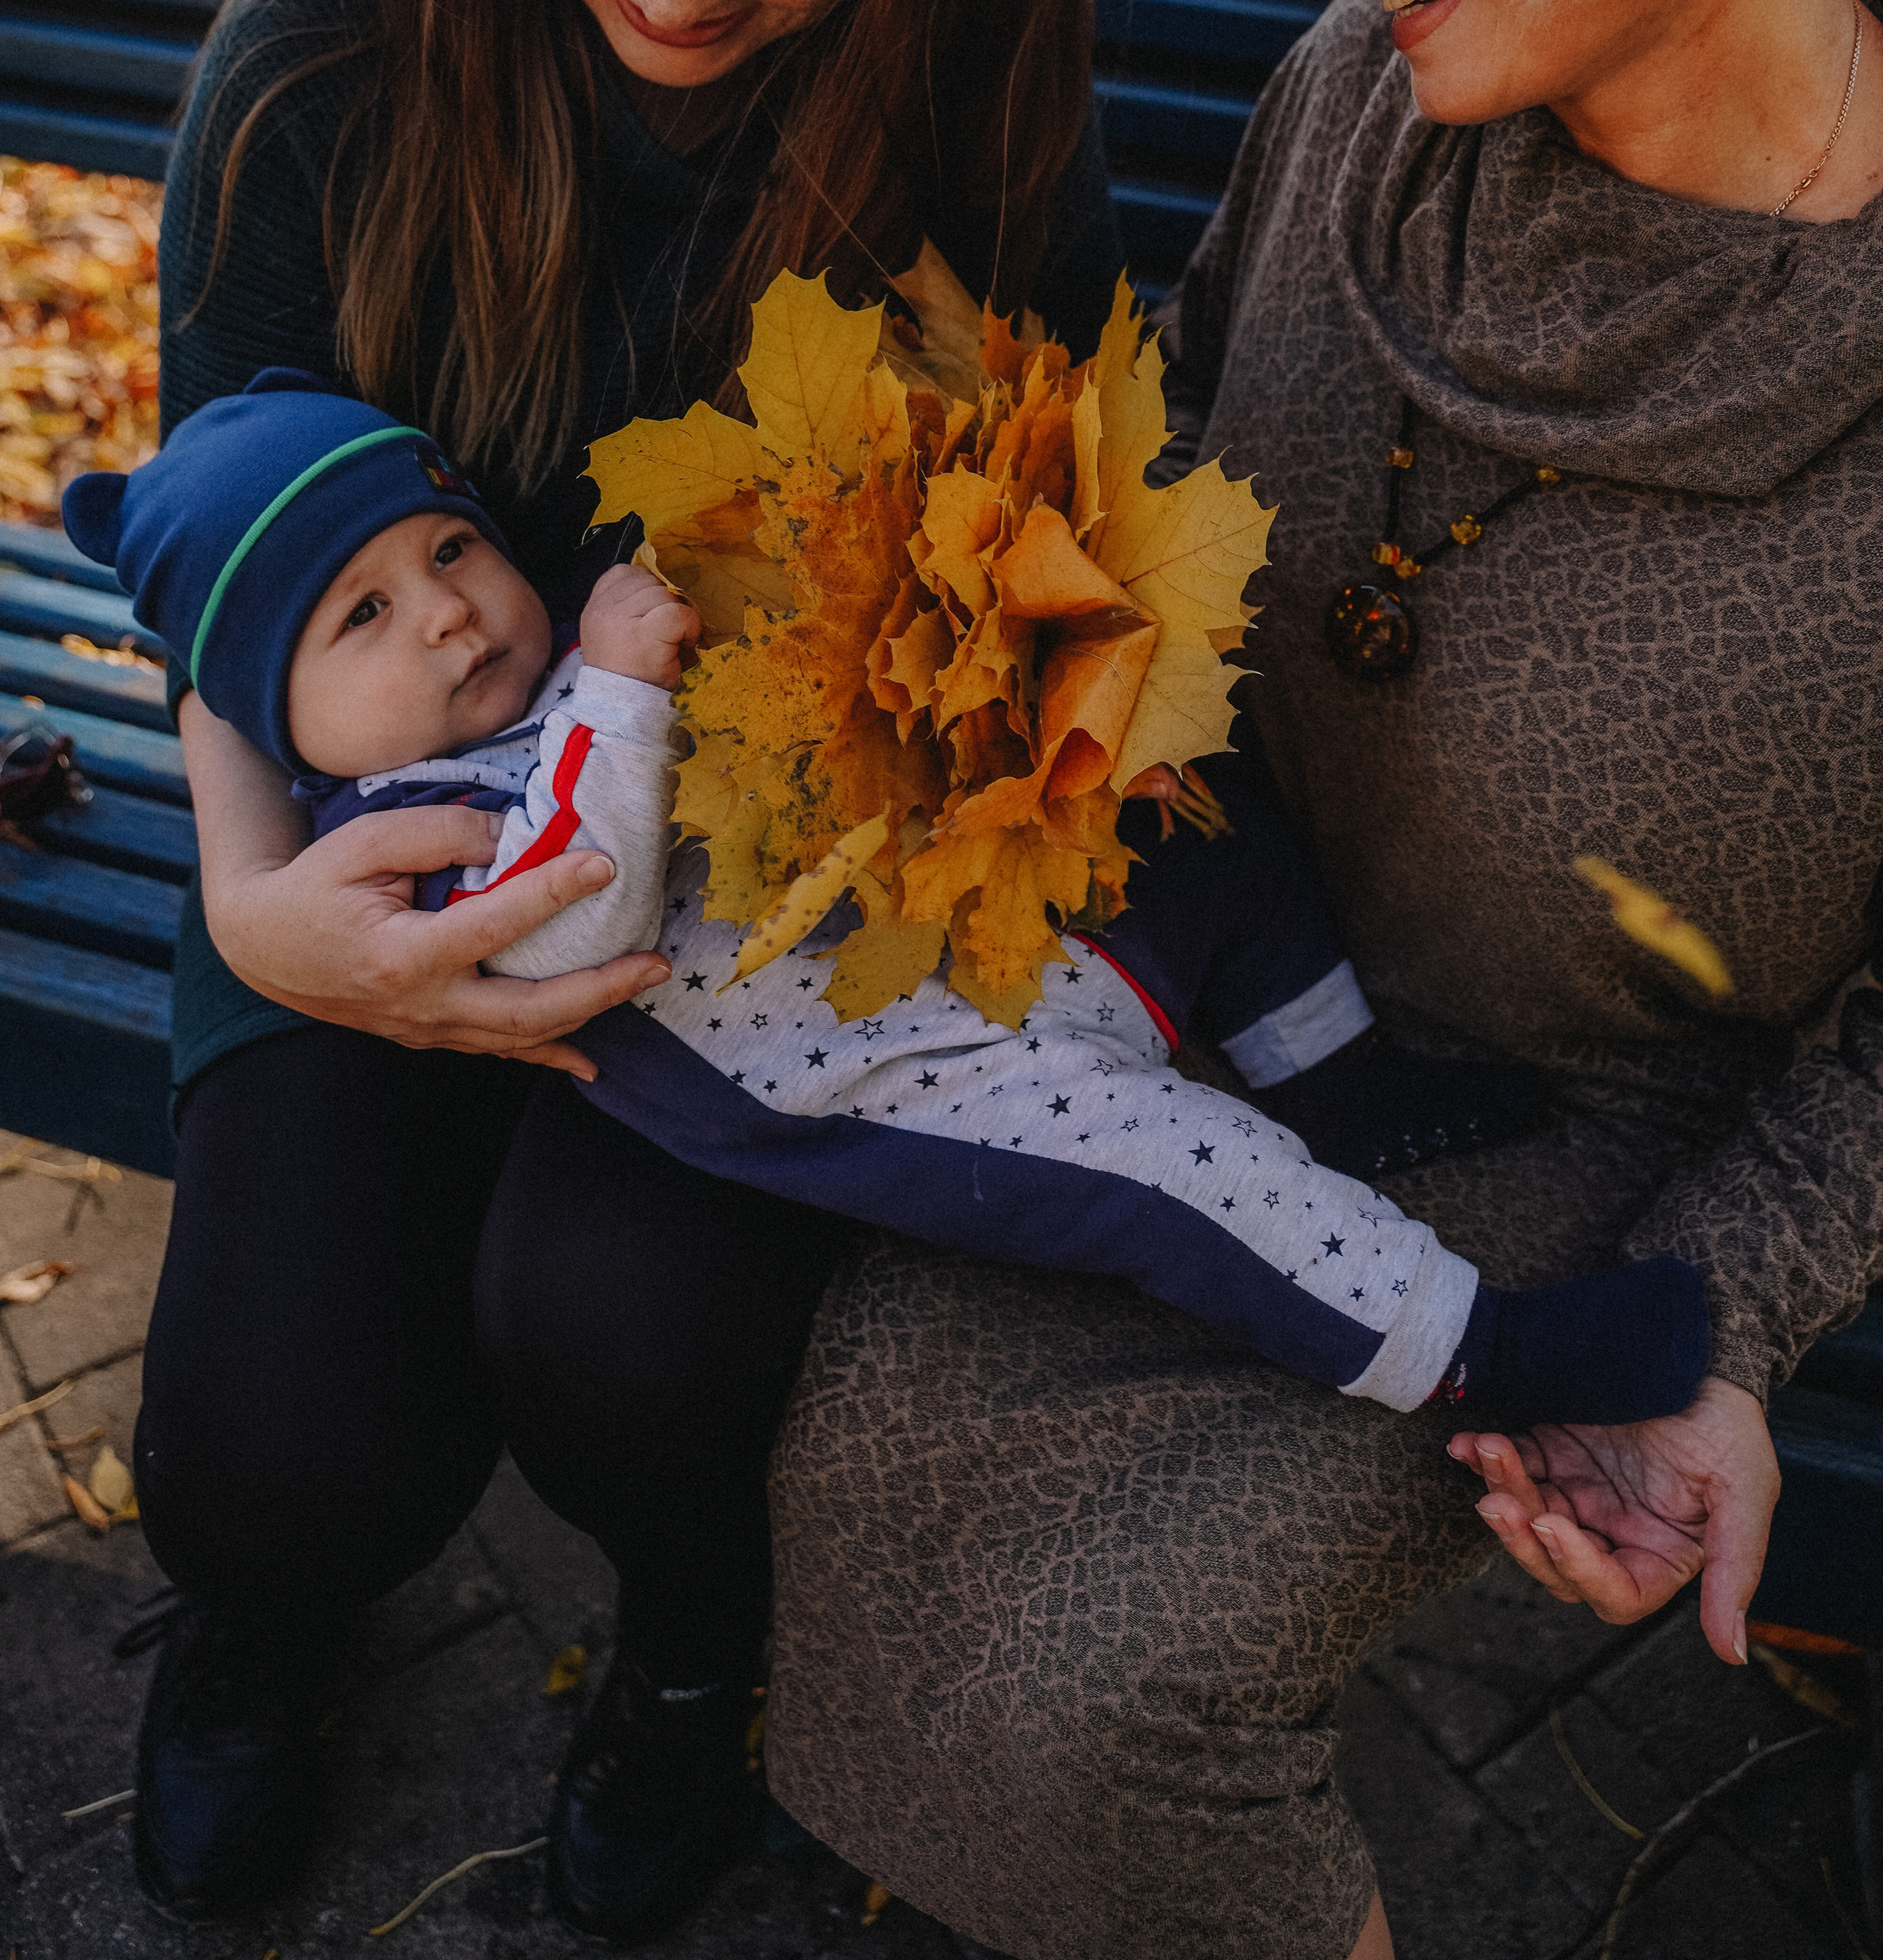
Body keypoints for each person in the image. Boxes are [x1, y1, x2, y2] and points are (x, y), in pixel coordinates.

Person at [745, 0, 1883, 1960]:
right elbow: (1168, 548)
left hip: (1598, 1161)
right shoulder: (1370, 96)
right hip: (1199, 1020)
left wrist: (1714, 1326)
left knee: (1119, 1690)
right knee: (852, 1454)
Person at [137, 0, 1120, 1940]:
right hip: (364, 846)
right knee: (273, 1448)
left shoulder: (975, 80)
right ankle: (259, 1627)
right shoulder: (321, 65)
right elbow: (219, 586)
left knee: (641, 1341)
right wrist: (259, 919)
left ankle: (702, 1648)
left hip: (750, 905)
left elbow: (1030, 552)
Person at [78, 376, 1706, 1459]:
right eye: (361, 615)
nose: (442, 608)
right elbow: (567, 922)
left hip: (952, 917)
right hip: (907, 1072)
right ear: (275, 719)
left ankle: (1331, 1067)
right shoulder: (396, 840)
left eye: (445, 548)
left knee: (1193, 824)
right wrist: (622, 697)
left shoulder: (561, 683)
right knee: (1177, 1176)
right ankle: (1474, 1350)